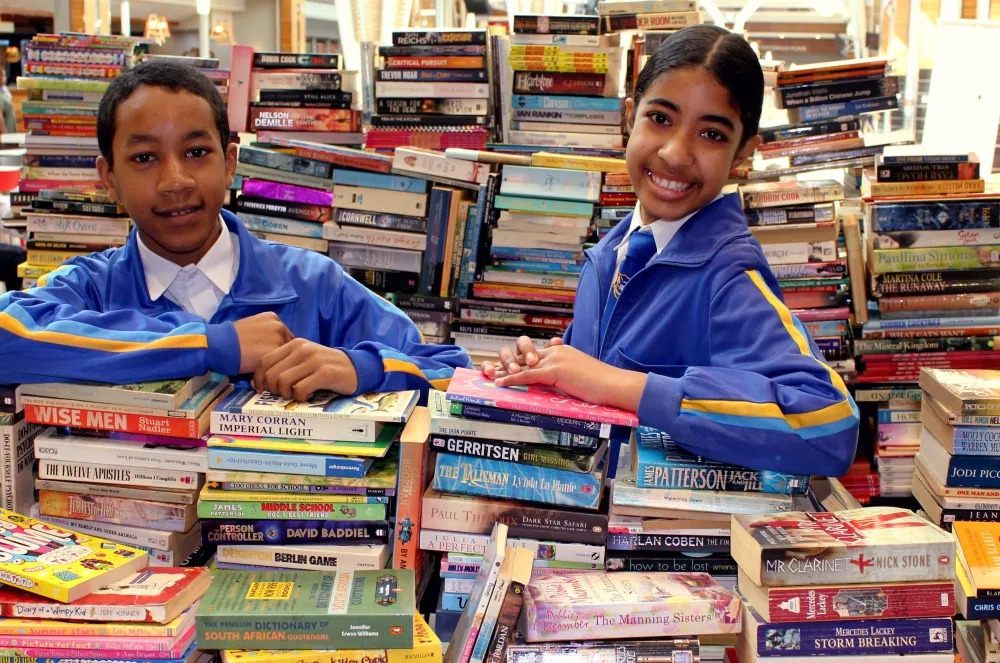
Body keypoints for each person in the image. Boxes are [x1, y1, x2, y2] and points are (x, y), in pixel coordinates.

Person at [482, 25, 858, 477]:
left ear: (744, 153)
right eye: (660, 118)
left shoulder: (728, 275)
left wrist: (620, 384)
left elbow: (831, 425)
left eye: (713, 135)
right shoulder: (610, 256)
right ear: (628, 117)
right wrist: (545, 370)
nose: (677, 154)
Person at [0, 60, 471, 399]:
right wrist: (214, 344)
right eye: (144, 158)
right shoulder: (88, 288)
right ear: (109, 181)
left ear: (230, 163)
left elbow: (454, 375)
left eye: (196, 153)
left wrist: (356, 366)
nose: (175, 182)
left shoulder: (313, 285)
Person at [0, 68, 15, 134]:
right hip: (6, 136)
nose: (5, 78)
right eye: (4, 76)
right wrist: (5, 134)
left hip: (11, 131)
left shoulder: (4, 91)